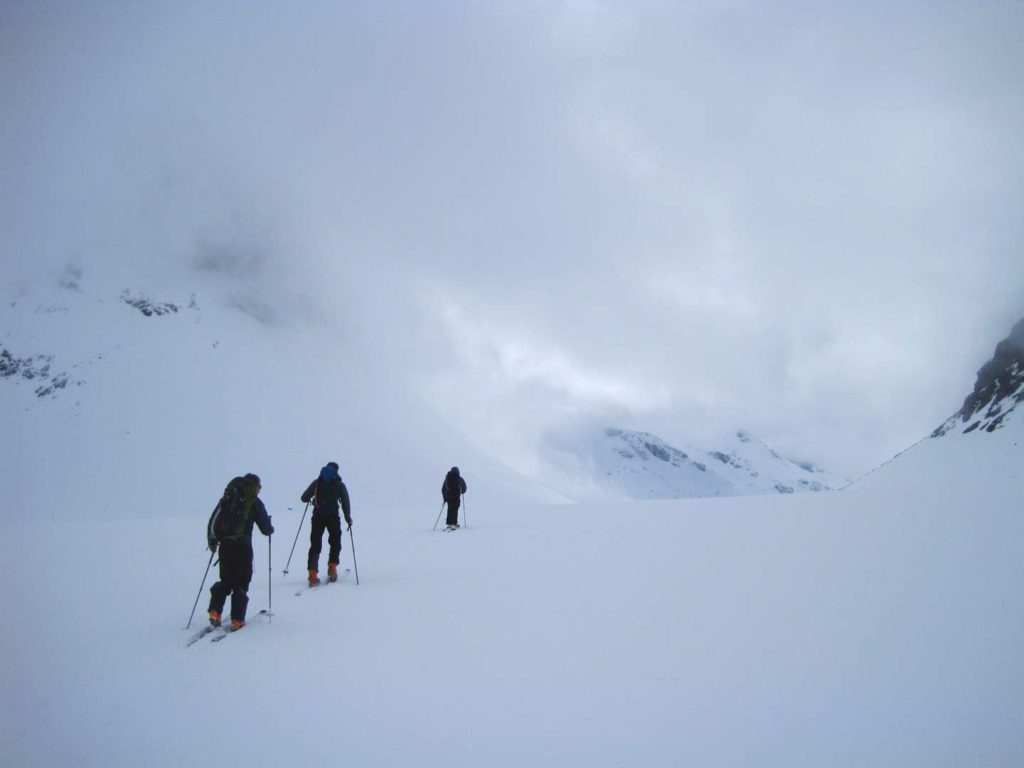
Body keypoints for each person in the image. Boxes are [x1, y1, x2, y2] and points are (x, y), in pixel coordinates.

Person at [206, 473, 274, 631]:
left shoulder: (228, 498)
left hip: (225, 547)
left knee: (225, 580)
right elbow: (265, 528)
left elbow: (214, 519)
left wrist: (212, 540)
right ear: (255, 486)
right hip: (243, 548)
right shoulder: (254, 502)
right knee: (241, 583)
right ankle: (237, 619)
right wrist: (270, 528)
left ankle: (215, 611)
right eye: (259, 487)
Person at [300, 461, 352, 586]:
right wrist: (348, 518)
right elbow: (345, 502)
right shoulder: (339, 484)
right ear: (336, 470)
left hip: (318, 515)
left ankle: (312, 575)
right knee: (335, 541)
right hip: (333, 516)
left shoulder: (317, 482)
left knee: (315, 544)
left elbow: (303, 498)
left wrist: (312, 499)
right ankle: (332, 569)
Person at [441, 466, 467, 530]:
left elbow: (443, 489)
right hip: (456, 497)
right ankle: (454, 523)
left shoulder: (447, 478)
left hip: (448, 497)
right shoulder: (459, 478)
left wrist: (445, 498)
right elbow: (464, 488)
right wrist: (462, 491)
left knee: (450, 508)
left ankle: (449, 523)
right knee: (455, 509)